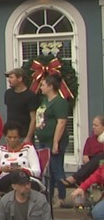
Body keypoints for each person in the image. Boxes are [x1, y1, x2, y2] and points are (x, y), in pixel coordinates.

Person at [35, 74, 71, 206]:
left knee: (56, 168)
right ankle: (48, 197)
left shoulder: (59, 102)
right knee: (47, 169)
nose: (41, 87)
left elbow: (61, 123)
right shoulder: (45, 100)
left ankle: (61, 197)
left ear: (51, 87)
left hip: (54, 141)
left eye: (43, 85)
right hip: (44, 140)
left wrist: (56, 142)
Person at [0, 121, 42, 193]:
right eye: (9, 137)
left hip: (26, 179)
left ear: (19, 137)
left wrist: (22, 169)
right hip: (5, 180)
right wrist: (1, 169)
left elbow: (37, 171)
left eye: (15, 137)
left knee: (21, 179)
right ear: (5, 137)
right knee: (11, 178)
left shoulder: (28, 148)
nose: (12, 140)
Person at [64, 114, 104, 191]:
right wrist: (90, 165)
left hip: (102, 166)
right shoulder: (90, 140)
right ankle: (78, 180)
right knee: (95, 159)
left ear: (103, 127)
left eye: (96, 125)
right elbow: (85, 156)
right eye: (93, 125)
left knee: (101, 156)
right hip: (90, 167)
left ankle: (75, 178)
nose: (93, 127)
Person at [3, 67, 39, 144]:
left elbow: (33, 118)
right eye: (8, 77)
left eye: (11, 77)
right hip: (11, 135)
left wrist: (28, 137)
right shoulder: (8, 93)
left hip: (24, 135)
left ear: (20, 79)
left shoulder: (30, 96)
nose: (9, 80)